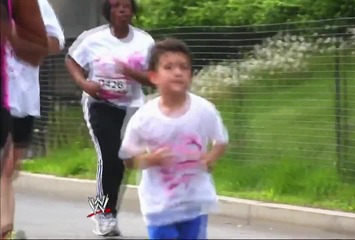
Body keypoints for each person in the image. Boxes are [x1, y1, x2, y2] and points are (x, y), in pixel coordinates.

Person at [119, 38, 229, 240]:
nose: (178, 72)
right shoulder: (144, 117)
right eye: (169, 67)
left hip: (194, 200)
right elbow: (128, 158)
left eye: (184, 67)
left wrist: (210, 158)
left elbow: (221, 141)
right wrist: (150, 160)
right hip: (159, 205)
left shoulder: (204, 110)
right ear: (153, 76)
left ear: (191, 75)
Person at [65, 0, 155, 236]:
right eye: (116, 6)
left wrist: (131, 73)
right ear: (108, 12)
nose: (122, 10)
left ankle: (112, 212)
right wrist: (84, 83)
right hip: (100, 105)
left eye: (126, 6)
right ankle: (102, 215)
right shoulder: (92, 38)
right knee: (109, 159)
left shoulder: (145, 41)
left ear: (133, 11)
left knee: (125, 162)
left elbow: (154, 77)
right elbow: (71, 60)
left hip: (132, 107)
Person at [1, 0, 64, 239]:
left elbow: (55, 42)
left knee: (10, 168)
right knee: (5, 168)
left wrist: (17, 35)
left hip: (23, 95)